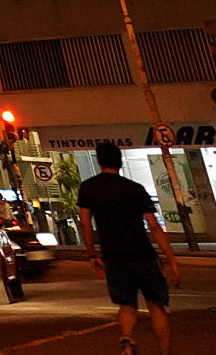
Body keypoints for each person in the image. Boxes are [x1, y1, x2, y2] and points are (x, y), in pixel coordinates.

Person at [78, 140, 178, 353]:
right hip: (142, 253)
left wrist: (91, 254)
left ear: (99, 161)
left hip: (113, 257)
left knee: (126, 304)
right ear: (120, 162)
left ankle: (126, 338)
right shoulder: (135, 189)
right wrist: (171, 259)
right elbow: (154, 226)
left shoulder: (88, 188)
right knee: (155, 305)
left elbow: (85, 223)